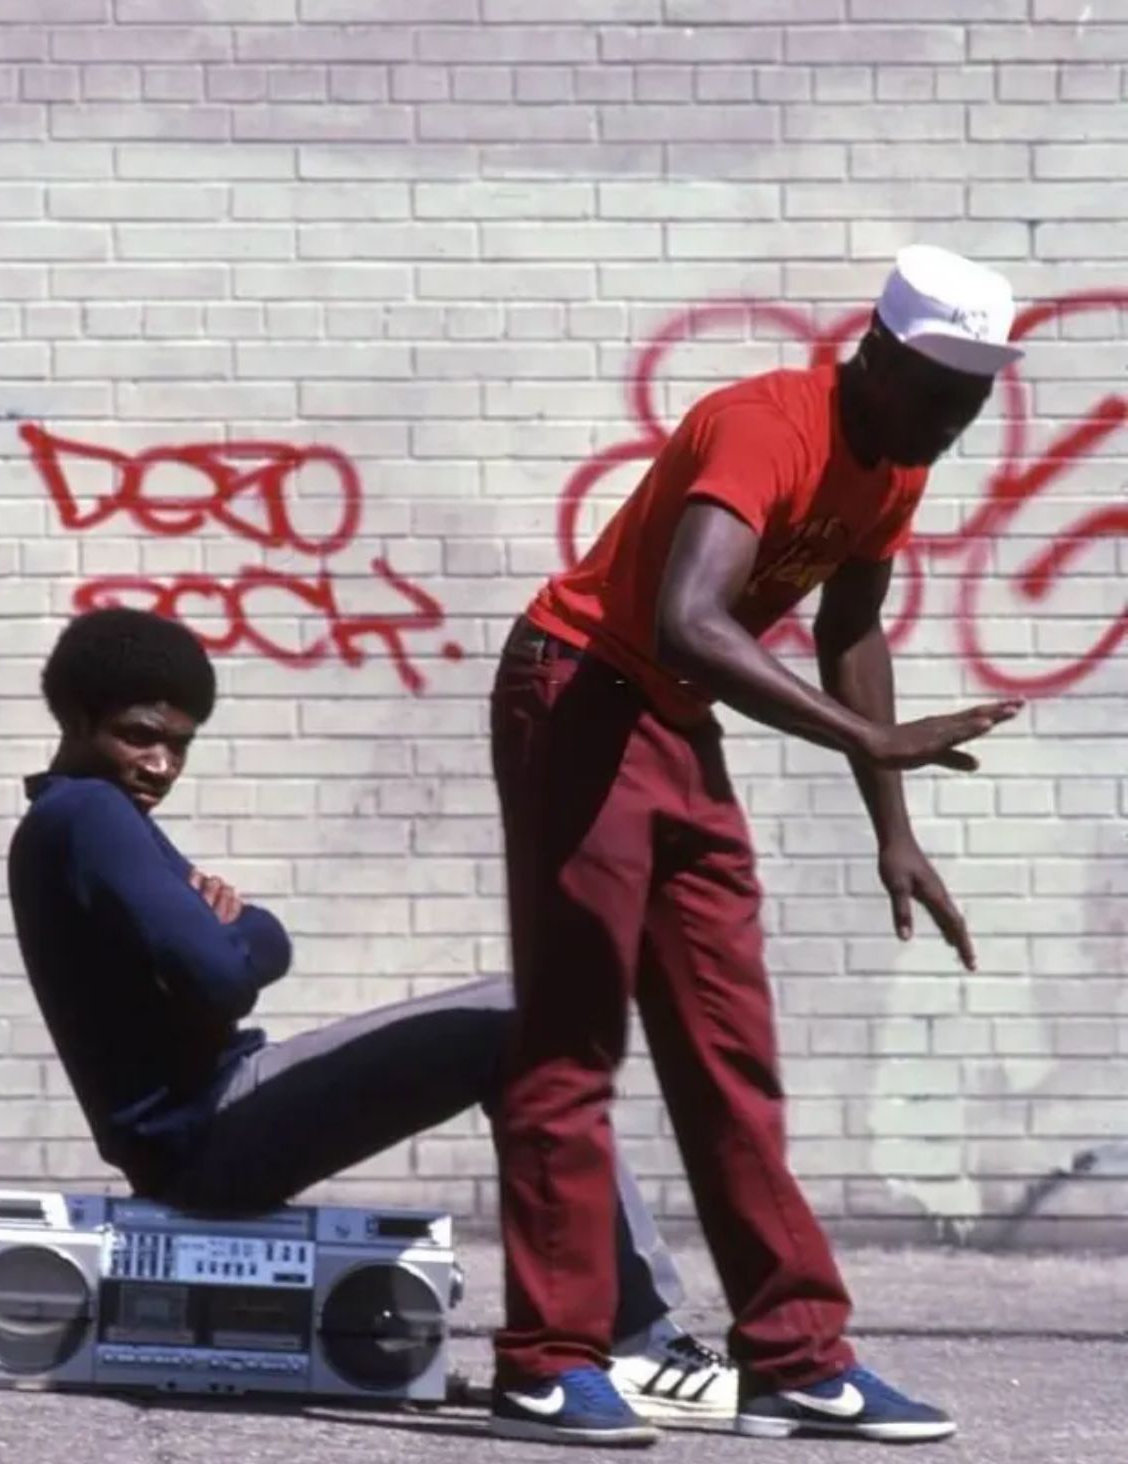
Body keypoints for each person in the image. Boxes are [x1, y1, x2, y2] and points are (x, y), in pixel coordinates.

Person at [486, 244, 1029, 1448]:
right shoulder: (763, 424)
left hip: (673, 724)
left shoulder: (893, 459)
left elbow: (850, 626)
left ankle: (791, 1357)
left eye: (975, 399)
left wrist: (893, 827)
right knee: (574, 1038)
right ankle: (546, 1360)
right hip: (577, 692)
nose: (954, 421)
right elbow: (687, 618)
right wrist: (872, 743)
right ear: (875, 352)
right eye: (939, 389)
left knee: (733, 1047)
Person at [6, 604, 739, 1425]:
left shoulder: (90, 823)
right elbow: (223, 975)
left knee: (523, 1012)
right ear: (75, 717)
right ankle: (637, 1336)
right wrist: (229, 931)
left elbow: (262, 940)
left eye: (179, 744)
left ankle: (626, 1328)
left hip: (220, 1108)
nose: (161, 764)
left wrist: (234, 931)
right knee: (521, 1015)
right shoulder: (87, 817)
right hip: (206, 1130)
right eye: (140, 735)